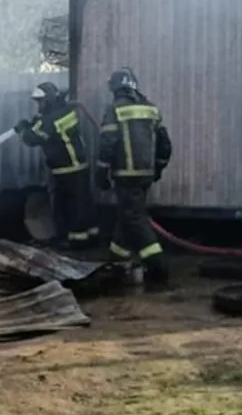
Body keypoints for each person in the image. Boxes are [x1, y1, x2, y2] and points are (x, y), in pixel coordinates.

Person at [95, 67, 173, 291]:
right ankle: (117, 259)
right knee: (128, 215)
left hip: (124, 176)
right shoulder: (150, 109)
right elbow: (165, 144)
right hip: (145, 176)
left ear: (116, 88)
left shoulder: (115, 109)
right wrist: (157, 168)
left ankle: (157, 265)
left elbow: (108, 142)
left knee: (135, 219)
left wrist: (101, 170)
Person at [14, 82, 98, 250]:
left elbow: (32, 138)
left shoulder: (53, 118)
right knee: (82, 204)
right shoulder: (63, 112)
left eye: (41, 101)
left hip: (68, 168)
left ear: (50, 100)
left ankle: (76, 242)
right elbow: (44, 127)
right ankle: (90, 238)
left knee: (70, 207)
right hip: (75, 166)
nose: (39, 105)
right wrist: (32, 124)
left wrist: (23, 129)